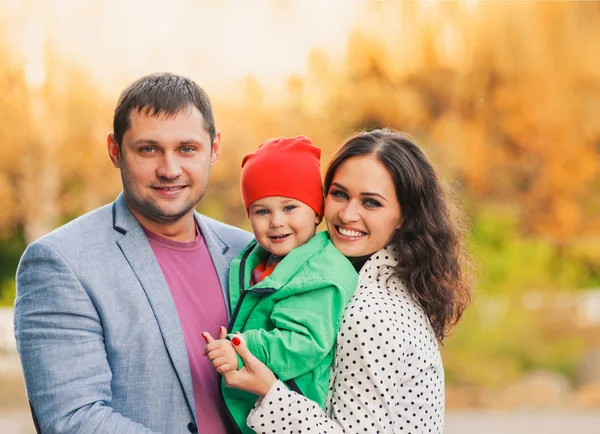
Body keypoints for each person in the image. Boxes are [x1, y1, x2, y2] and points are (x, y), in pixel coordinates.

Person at [14, 72, 252, 433]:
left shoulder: (246, 251)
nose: (169, 170)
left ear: (214, 148)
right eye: (149, 149)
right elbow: (73, 419)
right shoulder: (60, 262)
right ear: (115, 150)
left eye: (187, 149)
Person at [217, 128, 475, 433]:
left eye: (371, 203)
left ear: (404, 216)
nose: (347, 214)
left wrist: (270, 391)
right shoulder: (376, 281)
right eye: (339, 194)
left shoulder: (371, 312)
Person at [203, 136, 358, 433]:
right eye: (262, 211)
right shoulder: (259, 261)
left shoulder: (320, 274)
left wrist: (241, 347)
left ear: (316, 211)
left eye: (289, 208)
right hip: (257, 407)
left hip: (291, 408)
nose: (276, 221)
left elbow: (303, 343)